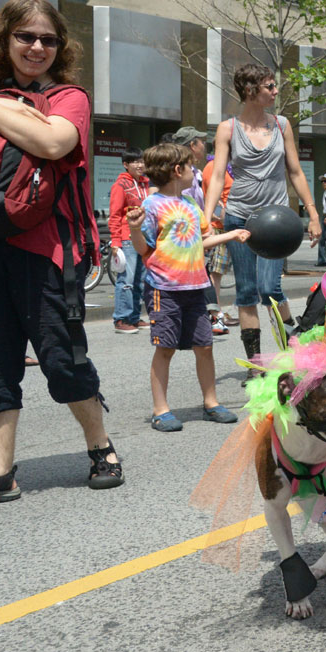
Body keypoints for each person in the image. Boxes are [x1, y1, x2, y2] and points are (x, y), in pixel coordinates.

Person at [0, 0, 121, 514]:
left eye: (47, 39)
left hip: (47, 251)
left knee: (62, 357)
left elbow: (55, 143)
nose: (36, 46)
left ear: (60, 47)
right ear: (4, 40)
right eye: (25, 36)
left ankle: (100, 445)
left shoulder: (68, 98)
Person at [202, 63, 321, 369]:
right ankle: (256, 365)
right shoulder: (227, 128)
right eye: (269, 86)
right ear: (251, 90)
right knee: (245, 291)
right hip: (240, 217)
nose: (275, 91)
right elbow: (217, 176)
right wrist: (206, 215)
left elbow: (295, 171)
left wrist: (312, 213)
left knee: (270, 288)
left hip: (277, 221)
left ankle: (293, 356)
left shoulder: (281, 125)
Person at [127, 144, 250, 431]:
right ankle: (161, 409)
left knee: (204, 346)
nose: (195, 172)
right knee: (165, 348)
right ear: (177, 171)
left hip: (196, 287)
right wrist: (134, 228)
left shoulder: (192, 205)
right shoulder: (151, 206)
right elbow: (144, 248)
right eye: (190, 167)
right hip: (164, 288)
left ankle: (211, 402)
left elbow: (200, 241)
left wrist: (230, 235)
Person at [168, 125, 229, 336]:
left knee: (201, 275)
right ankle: (212, 317)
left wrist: (210, 216)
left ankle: (206, 317)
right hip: (185, 235)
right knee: (200, 275)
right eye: (201, 141)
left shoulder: (195, 172)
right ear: (192, 145)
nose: (204, 145)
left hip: (199, 231)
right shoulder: (180, 172)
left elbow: (197, 204)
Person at [108, 148, 150, 334]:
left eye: (142, 161)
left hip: (144, 237)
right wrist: (115, 241)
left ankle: (133, 317)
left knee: (140, 280)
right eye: (135, 162)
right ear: (126, 165)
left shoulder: (145, 185)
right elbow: (115, 215)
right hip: (126, 238)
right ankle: (121, 318)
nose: (140, 165)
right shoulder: (120, 186)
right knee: (126, 280)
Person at [201, 151, 236, 326]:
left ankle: (217, 311)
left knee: (219, 271)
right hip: (219, 228)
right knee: (216, 272)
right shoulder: (213, 166)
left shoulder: (227, 167)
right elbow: (212, 195)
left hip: (229, 226)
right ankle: (216, 313)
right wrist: (215, 217)